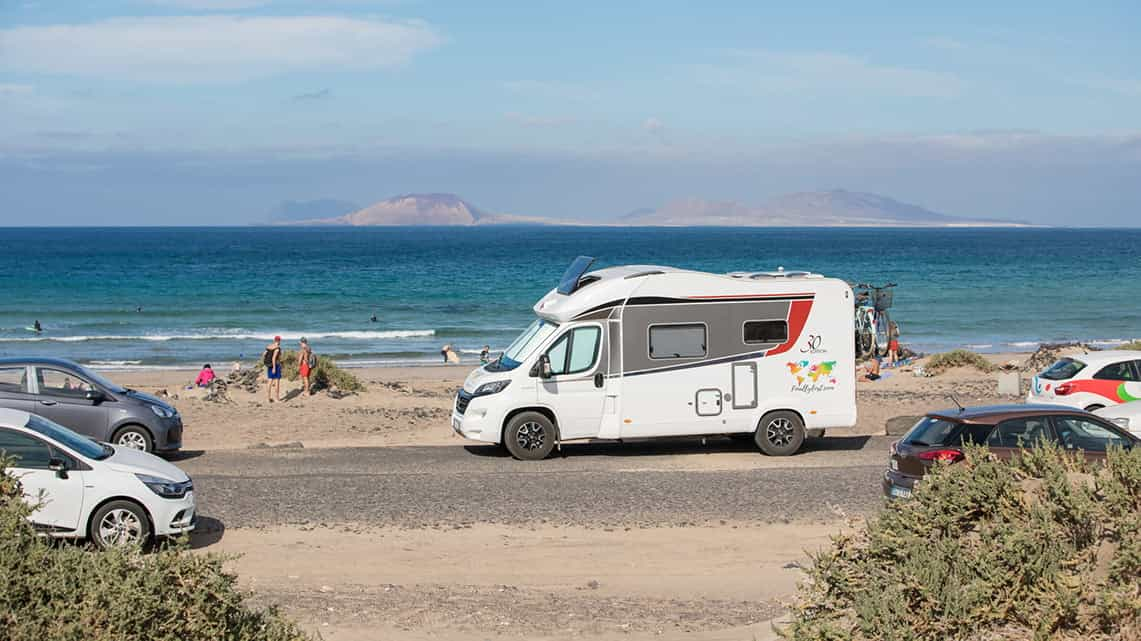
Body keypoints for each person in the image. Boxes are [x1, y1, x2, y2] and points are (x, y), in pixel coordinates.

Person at [263, 336, 283, 402]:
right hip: (276, 366)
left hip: (269, 365)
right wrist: (274, 368)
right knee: (277, 382)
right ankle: (277, 398)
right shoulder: (277, 348)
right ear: (279, 341)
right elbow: (274, 358)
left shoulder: (269, 346)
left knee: (269, 381)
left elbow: (263, 354)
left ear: (274, 340)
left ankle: (267, 398)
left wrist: (266, 362)